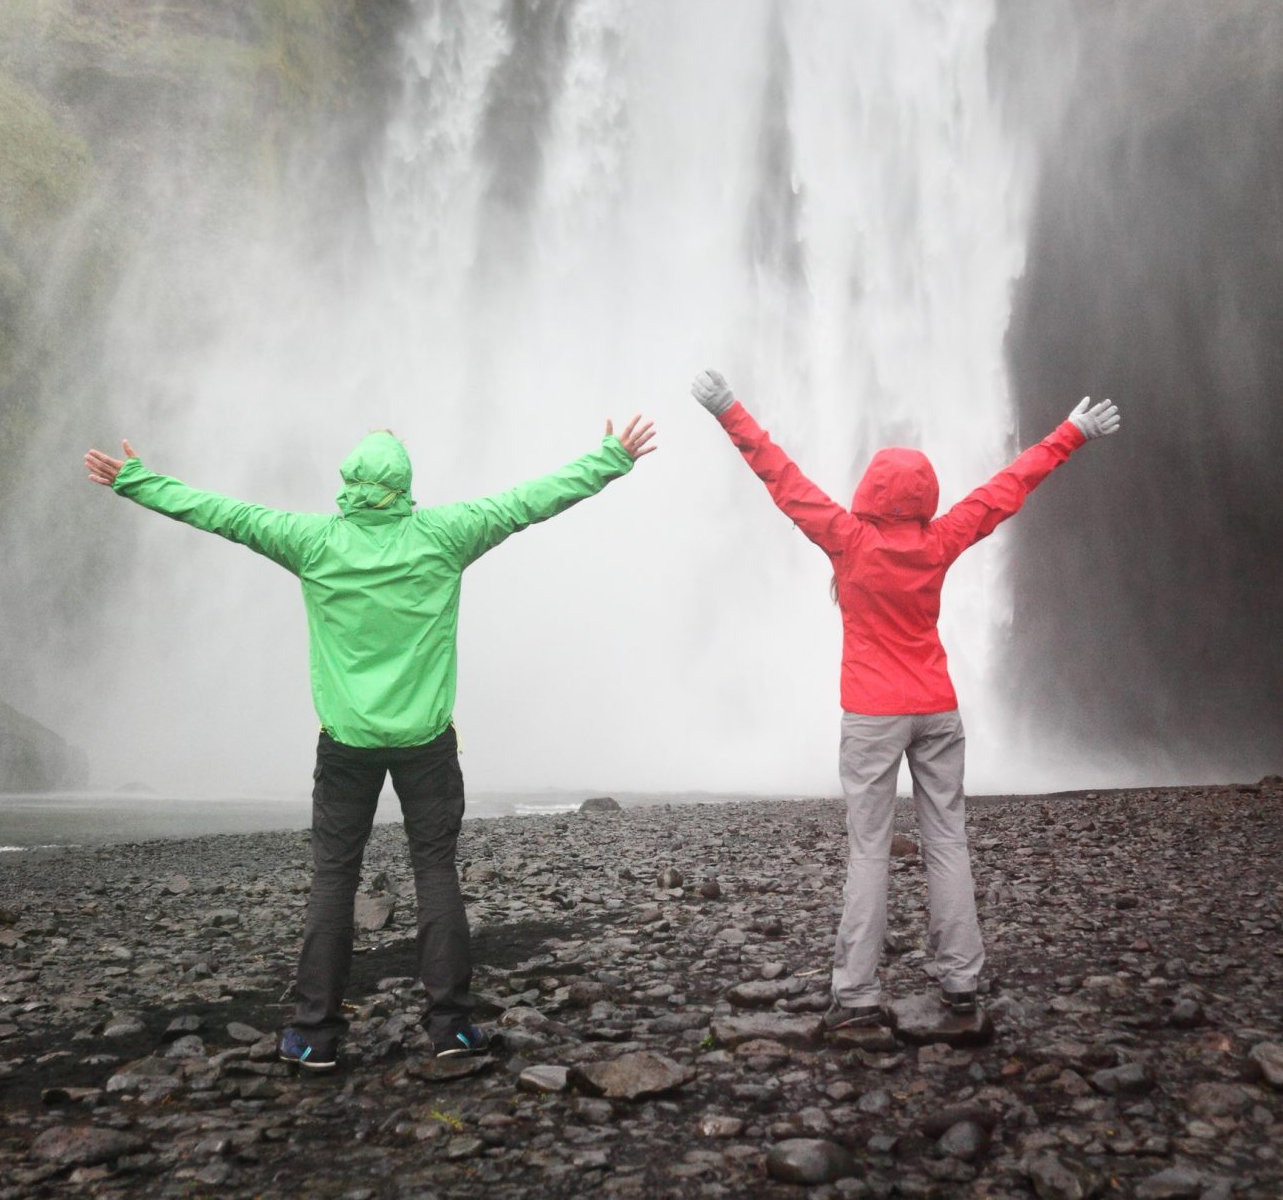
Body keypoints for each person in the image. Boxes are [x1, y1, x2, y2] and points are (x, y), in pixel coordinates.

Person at [83, 415, 658, 1071]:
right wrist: (611, 457)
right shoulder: (446, 533)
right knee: (435, 874)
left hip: (347, 747)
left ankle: (315, 1036)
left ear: (350, 485)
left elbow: (221, 513)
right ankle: (450, 1029)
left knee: (335, 880)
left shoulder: (311, 540)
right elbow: (532, 500)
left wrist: (137, 481)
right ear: (406, 485)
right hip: (427, 745)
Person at [689, 370, 1118, 1030]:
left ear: (869, 492)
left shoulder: (848, 539)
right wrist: (1073, 434)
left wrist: (727, 410)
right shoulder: (941, 539)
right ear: (924, 497)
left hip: (871, 713)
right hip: (936, 708)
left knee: (869, 849)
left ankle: (857, 994)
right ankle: (962, 985)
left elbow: (782, 477)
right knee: (948, 842)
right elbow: (1005, 490)